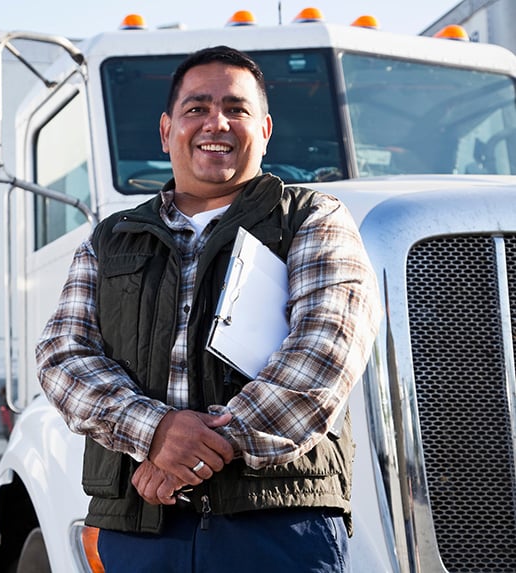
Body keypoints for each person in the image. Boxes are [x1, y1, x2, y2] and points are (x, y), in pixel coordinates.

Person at [35, 45, 382, 572]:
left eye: (236, 109)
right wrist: (154, 431)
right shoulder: (108, 240)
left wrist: (187, 456)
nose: (215, 123)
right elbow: (62, 357)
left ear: (264, 130)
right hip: (138, 524)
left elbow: (325, 353)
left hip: (276, 524)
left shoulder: (314, 219)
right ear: (165, 130)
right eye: (196, 107)